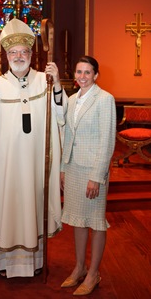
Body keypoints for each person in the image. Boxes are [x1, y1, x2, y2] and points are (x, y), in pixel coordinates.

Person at [0, 18, 66, 278]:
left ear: (31, 54)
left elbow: (62, 115)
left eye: (24, 51)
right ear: (6, 55)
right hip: (4, 164)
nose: (18, 56)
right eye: (13, 52)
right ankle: (3, 263)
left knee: (33, 209)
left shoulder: (44, 81)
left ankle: (33, 262)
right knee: (7, 209)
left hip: (37, 163)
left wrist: (57, 82)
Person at [60, 55, 116, 295]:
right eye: (79, 72)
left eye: (87, 72)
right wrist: (63, 168)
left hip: (93, 170)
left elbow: (107, 140)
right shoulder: (72, 100)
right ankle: (79, 267)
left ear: (96, 75)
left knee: (95, 221)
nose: (82, 76)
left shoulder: (104, 99)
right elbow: (67, 136)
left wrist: (97, 175)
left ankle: (93, 273)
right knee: (76, 219)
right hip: (73, 168)